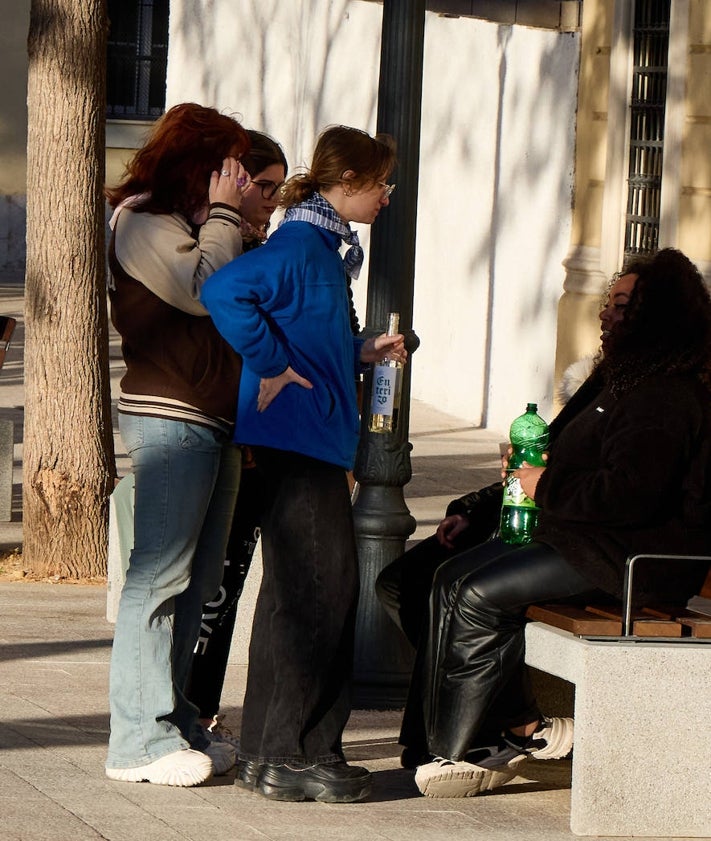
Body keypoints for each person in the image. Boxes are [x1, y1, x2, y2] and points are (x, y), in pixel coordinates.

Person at [390, 248, 711, 799]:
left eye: (622, 307)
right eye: (608, 303)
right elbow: (548, 455)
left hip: (631, 561)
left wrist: (546, 486)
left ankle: (468, 747)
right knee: (416, 578)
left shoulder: (667, 396)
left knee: (467, 590)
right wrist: (480, 505)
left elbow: (627, 495)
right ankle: (467, 737)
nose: (606, 316)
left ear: (656, 316)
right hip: (581, 539)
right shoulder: (619, 378)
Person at [200, 124, 404, 803]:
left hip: (304, 442)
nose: (386, 196)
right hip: (299, 445)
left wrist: (360, 352)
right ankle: (296, 752)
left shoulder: (317, 246)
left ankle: (272, 750)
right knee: (320, 595)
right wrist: (271, 364)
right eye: (380, 184)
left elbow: (309, 331)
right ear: (345, 184)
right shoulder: (302, 245)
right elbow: (226, 292)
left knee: (298, 596)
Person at [104, 102, 252, 787]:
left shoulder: (199, 224)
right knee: (156, 577)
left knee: (196, 582)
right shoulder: (142, 218)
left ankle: (176, 719)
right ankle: (137, 738)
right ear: (203, 164)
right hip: (169, 413)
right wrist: (226, 216)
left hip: (213, 419)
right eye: (234, 167)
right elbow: (205, 291)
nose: (243, 180)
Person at [184, 130, 288, 747]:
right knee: (210, 577)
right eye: (265, 187)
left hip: (255, 437)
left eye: (278, 188)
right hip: (223, 429)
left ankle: (202, 703)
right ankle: (189, 703)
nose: (271, 201)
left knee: (229, 576)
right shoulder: (219, 247)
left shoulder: (263, 247)